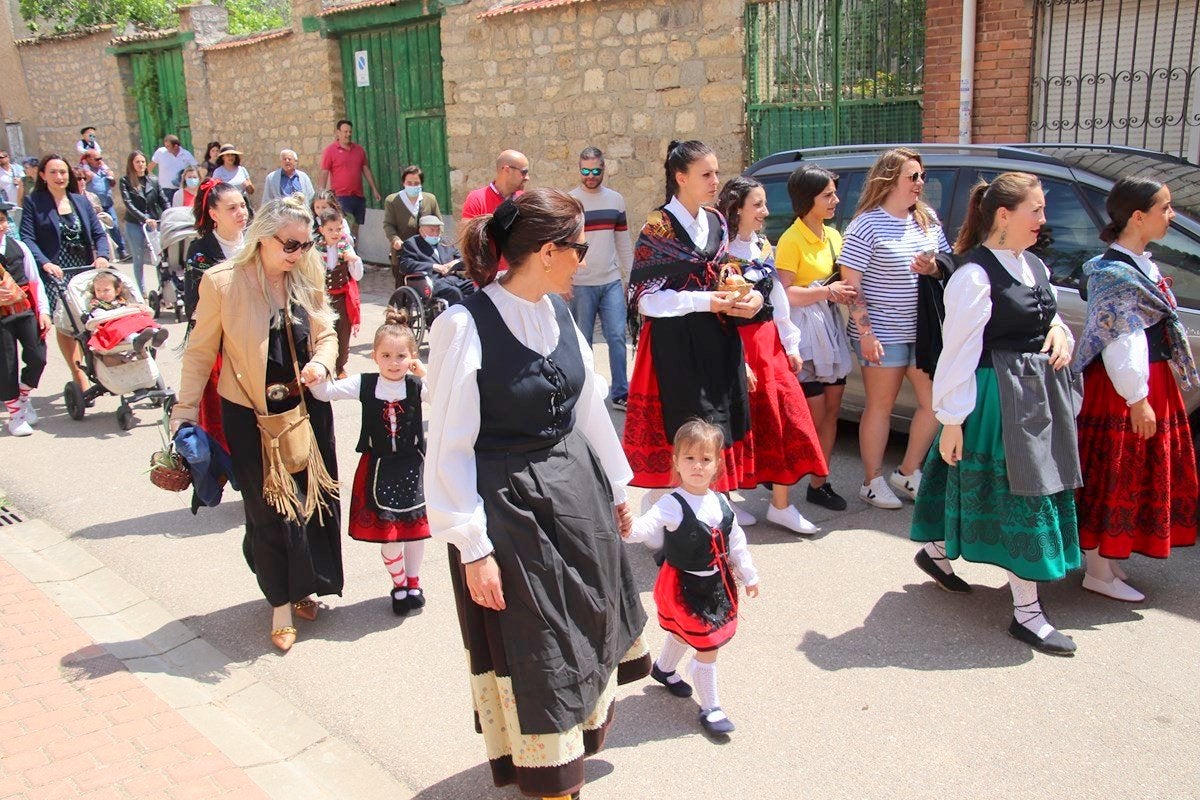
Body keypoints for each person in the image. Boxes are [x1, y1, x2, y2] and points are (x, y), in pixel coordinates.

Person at [425, 188, 650, 800]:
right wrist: (472, 547)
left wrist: (619, 481)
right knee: (541, 648)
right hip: (509, 511)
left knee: (584, 624)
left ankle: (569, 765)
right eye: (578, 248)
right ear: (548, 252)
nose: (586, 258)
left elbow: (588, 406)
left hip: (575, 493)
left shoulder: (555, 314)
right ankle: (551, 784)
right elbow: (446, 444)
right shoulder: (463, 325)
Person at [911, 172, 1082, 656]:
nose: (1043, 221)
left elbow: (1046, 313)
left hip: (1035, 398)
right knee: (1018, 494)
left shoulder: (1033, 265)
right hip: (998, 397)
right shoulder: (973, 275)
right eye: (1037, 210)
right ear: (1004, 216)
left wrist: (1060, 332)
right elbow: (957, 352)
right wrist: (949, 419)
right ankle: (1027, 615)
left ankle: (937, 551)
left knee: (994, 488)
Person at [172, 195, 342, 654]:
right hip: (248, 412)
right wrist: (183, 414)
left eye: (306, 245)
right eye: (291, 245)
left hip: (305, 407)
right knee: (266, 510)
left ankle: (305, 585)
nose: (299, 254)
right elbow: (200, 351)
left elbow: (327, 333)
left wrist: (322, 365)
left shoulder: (307, 273)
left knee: (310, 500)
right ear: (263, 238)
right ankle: (281, 603)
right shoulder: (222, 283)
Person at [1072, 176, 1198, 602]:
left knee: (1131, 472)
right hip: (1124, 388)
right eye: (1165, 208)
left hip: (1149, 382)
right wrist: (1137, 398)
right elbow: (1120, 339)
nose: (1172, 215)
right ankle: (1098, 570)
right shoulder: (1113, 274)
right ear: (1138, 216)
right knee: (1114, 472)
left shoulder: (1140, 265)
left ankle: (1108, 558)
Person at [623, 140, 761, 520]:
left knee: (715, 425)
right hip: (676, 345)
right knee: (684, 427)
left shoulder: (716, 220)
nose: (716, 180)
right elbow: (645, 298)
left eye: (717, 172)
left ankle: (708, 506)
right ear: (680, 178)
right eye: (706, 174)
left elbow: (728, 274)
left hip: (718, 339)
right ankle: (669, 513)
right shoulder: (659, 226)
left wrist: (751, 300)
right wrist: (706, 301)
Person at [623, 420, 759, 734]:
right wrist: (627, 524)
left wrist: (749, 574)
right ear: (676, 462)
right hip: (683, 587)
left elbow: (735, 540)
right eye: (689, 458)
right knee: (707, 644)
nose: (697, 466)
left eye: (705, 459)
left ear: (717, 465)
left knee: (685, 635)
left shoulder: (721, 501)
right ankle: (711, 708)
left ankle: (664, 669)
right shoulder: (672, 504)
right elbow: (642, 530)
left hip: (715, 584)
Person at [840, 147, 950, 509]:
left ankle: (906, 471)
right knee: (880, 408)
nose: (921, 183)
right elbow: (851, 285)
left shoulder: (927, 219)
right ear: (890, 180)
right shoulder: (866, 223)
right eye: (913, 176)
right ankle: (871, 481)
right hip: (881, 333)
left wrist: (932, 268)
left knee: (934, 403)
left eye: (921, 176)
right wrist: (866, 332)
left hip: (922, 331)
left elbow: (946, 265)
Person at [717, 176, 827, 534]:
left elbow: (777, 296)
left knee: (786, 419)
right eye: (758, 205)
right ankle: (725, 498)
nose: (765, 211)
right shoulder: (719, 252)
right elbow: (718, 311)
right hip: (738, 343)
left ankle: (781, 504)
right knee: (737, 423)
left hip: (770, 344)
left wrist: (791, 343)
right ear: (737, 210)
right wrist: (736, 359)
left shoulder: (762, 245)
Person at [310, 308, 431, 615]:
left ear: (412, 357)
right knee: (391, 536)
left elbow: (445, 396)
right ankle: (399, 584)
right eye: (387, 355)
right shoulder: (364, 384)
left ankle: (414, 582)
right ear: (375, 356)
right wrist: (314, 373)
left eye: (401, 356)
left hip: (413, 466)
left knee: (416, 531)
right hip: (378, 468)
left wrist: (425, 374)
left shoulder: (416, 386)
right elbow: (325, 393)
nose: (394, 363)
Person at [774, 165, 856, 511]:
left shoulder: (834, 235)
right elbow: (784, 293)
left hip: (830, 327)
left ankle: (820, 482)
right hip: (804, 331)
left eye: (834, 193)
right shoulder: (791, 240)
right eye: (828, 195)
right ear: (808, 199)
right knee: (812, 412)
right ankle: (784, 478)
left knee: (832, 409)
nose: (836, 199)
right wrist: (826, 291)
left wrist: (838, 293)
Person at [20, 154, 112, 390]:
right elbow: (27, 238)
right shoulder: (34, 202)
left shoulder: (80, 201)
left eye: (63, 172)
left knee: (89, 319)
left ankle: (96, 366)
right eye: (53, 172)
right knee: (66, 322)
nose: (59, 177)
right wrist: (45, 263)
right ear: (43, 175)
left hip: (83, 268)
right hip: (55, 271)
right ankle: (77, 372)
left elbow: (99, 234)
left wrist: (101, 256)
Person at [184, 180, 248, 450]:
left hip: (255, 339)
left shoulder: (258, 242)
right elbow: (196, 307)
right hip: (220, 345)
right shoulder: (201, 251)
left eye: (243, 205)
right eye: (232, 208)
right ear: (214, 214)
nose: (241, 212)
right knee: (220, 417)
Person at [567, 146, 633, 409]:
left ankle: (620, 391)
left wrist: (633, 278)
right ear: (579, 169)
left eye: (595, 170)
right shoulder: (571, 202)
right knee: (583, 340)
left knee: (617, 336)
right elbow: (565, 245)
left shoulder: (616, 200)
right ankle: (588, 392)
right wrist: (565, 281)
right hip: (581, 283)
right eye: (585, 170)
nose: (590, 175)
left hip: (611, 280)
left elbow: (623, 242)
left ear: (604, 169)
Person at [0, 200, 50, 436]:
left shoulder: (19, 246)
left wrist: (44, 311)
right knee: (6, 364)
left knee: (38, 355)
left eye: (1, 220)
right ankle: (15, 415)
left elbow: (35, 281)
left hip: (24, 310)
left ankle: (23, 394)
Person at [315, 207, 363, 378]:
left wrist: (354, 260)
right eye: (330, 229)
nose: (335, 233)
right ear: (322, 230)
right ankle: (324, 366)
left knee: (343, 333)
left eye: (339, 228)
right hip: (322, 299)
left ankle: (340, 366)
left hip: (342, 298)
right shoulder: (315, 249)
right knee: (324, 332)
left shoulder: (347, 247)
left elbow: (357, 275)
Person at [318, 120, 381, 238]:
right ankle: (345, 250)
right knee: (345, 225)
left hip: (358, 196)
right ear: (338, 133)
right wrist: (321, 194)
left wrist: (374, 189)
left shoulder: (359, 150)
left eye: (350, 132)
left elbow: (366, 169)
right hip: (341, 196)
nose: (348, 134)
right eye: (345, 131)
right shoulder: (330, 151)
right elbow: (324, 172)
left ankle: (354, 250)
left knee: (356, 226)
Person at [395, 215, 474, 306]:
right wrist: (433, 267)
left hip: (453, 278)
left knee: (473, 288)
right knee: (454, 292)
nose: (436, 233)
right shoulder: (412, 244)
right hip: (431, 281)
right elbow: (405, 265)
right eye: (432, 230)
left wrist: (455, 262)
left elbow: (461, 258)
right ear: (421, 231)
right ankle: (457, 317)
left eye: (438, 230)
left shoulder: (446, 242)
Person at [383, 165, 441, 287]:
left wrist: (436, 237)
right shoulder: (393, 200)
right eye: (409, 183)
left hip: (426, 252)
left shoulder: (430, 199)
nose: (413, 186)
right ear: (403, 183)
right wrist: (395, 239)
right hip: (403, 252)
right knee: (403, 286)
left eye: (416, 183)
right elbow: (388, 225)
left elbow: (439, 222)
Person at [84, 270, 168, 354]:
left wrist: (138, 306)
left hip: (126, 320)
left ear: (116, 291)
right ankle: (136, 339)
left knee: (143, 319)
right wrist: (120, 313)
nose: (102, 293)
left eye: (106, 290)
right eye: (98, 290)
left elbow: (128, 306)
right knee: (122, 327)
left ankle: (156, 334)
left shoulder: (120, 301)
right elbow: (98, 316)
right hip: (111, 327)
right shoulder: (96, 304)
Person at [119, 150, 167, 295]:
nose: (140, 165)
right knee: (138, 258)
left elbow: (163, 200)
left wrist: (169, 214)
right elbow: (128, 203)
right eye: (137, 162)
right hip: (135, 224)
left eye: (142, 162)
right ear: (131, 164)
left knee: (159, 257)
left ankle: (163, 290)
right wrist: (144, 219)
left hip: (153, 224)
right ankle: (142, 292)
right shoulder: (125, 181)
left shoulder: (153, 180)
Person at [79, 149, 127, 259]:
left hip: (107, 202)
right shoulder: (85, 172)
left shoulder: (104, 170)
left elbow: (112, 183)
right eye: (97, 159)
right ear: (88, 160)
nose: (99, 161)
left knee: (114, 225)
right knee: (98, 230)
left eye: (101, 158)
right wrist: (87, 177)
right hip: (93, 206)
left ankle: (122, 250)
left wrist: (111, 177)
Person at [461, 150, 528, 220]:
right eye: (524, 172)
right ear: (507, 170)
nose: (527, 178)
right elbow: (468, 230)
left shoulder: (524, 200)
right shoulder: (477, 199)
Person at [0, 150, 26, 224]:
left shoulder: (18, 168)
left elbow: (26, 181)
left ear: (7, 157)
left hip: (24, 204)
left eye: (1, 157)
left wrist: (20, 181)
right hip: (10, 207)